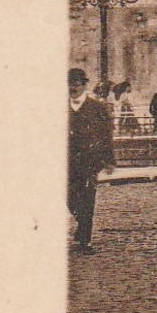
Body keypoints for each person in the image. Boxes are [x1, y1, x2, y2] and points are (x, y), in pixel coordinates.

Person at [67, 67, 114, 252]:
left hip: (89, 162)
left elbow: (106, 135)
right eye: (70, 84)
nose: (74, 88)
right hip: (67, 163)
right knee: (69, 199)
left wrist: (108, 160)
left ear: (84, 85)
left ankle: (85, 240)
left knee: (87, 199)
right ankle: (81, 222)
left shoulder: (96, 108)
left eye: (77, 84)